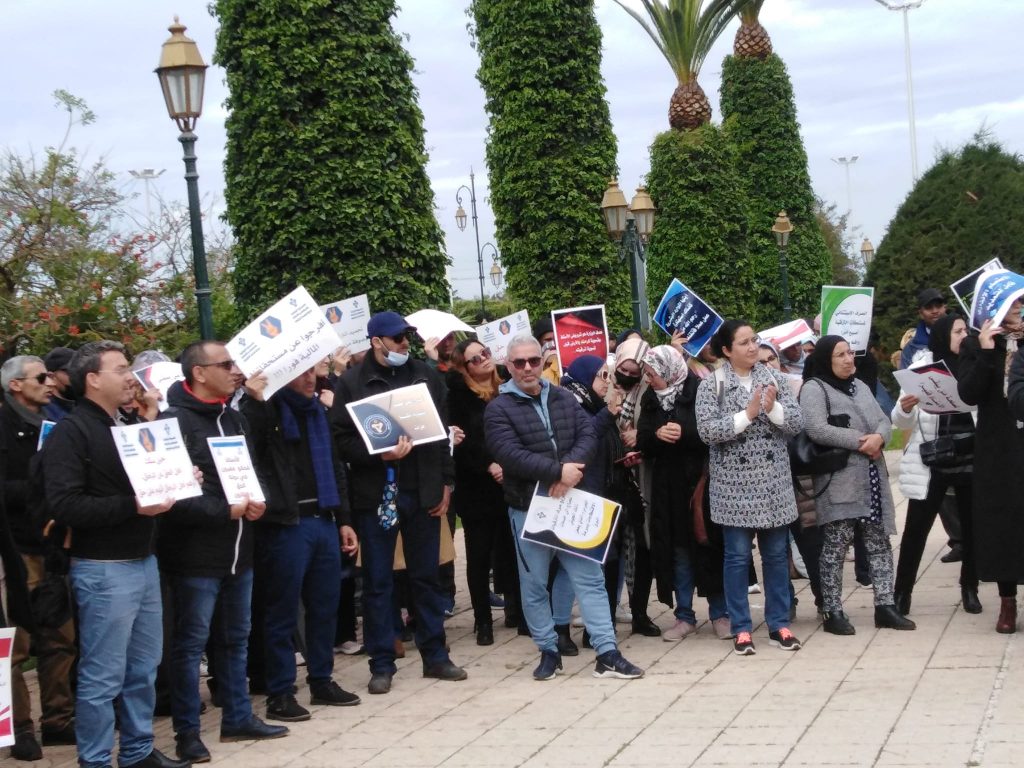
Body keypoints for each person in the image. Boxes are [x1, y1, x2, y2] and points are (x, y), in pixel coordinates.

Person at [43, 340, 189, 768]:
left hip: (143, 560)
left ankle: (138, 751)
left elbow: (145, 485)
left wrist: (179, 479)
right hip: (103, 568)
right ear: (92, 379)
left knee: (143, 668)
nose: (131, 377)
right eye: (121, 369)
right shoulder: (72, 432)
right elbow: (65, 505)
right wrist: (134, 505)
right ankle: (94, 759)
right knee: (103, 675)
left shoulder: (125, 425)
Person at [484, 335, 644, 680]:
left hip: (571, 503)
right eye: (519, 362)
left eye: (533, 360)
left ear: (542, 362)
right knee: (534, 584)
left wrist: (569, 474)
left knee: (590, 580)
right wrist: (558, 473)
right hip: (529, 508)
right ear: (509, 366)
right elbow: (509, 453)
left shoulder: (562, 397)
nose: (527, 368)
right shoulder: (498, 409)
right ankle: (548, 650)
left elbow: (587, 435)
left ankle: (607, 653)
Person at [161, 342, 288, 761]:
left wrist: (259, 499)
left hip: (240, 550)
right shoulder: (172, 423)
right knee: (190, 645)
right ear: (199, 372)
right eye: (227, 364)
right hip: (195, 556)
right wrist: (223, 510)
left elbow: (252, 470)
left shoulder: (234, 418)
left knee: (236, 638)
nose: (237, 371)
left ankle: (237, 717)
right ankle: (187, 733)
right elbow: (171, 496)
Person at [331, 311, 467, 694]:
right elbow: (340, 440)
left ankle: (435, 656)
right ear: (376, 342)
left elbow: (442, 433)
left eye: (407, 336)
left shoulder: (424, 375)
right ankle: (381, 663)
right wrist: (379, 455)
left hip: (423, 491)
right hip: (377, 496)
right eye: (396, 338)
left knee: (427, 578)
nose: (404, 343)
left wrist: (446, 483)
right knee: (378, 582)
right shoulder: (352, 382)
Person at [242, 364, 363, 720]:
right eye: (300, 372)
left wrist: (344, 519)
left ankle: (322, 680)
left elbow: (336, 467)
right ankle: (280, 692)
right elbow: (250, 450)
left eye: (312, 371)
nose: (310, 378)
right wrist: (255, 401)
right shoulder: (266, 410)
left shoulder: (318, 412)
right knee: (282, 612)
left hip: (323, 519)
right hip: (285, 524)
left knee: (324, 607)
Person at [695, 320, 803, 655]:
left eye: (754, 340)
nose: (753, 347)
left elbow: (797, 422)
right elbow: (707, 431)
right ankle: (741, 627)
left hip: (773, 483)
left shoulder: (773, 378)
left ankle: (779, 623)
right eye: (743, 343)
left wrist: (773, 409)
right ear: (727, 350)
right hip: (734, 486)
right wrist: (748, 414)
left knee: (776, 555)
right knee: (737, 557)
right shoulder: (712, 384)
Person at [801, 336, 915, 635]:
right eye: (840, 354)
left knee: (879, 542)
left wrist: (880, 438)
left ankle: (885, 606)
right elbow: (815, 428)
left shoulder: (860, 385)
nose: (848, 359)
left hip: (871, 478)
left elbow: (882, 420)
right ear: (826, 359)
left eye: (850, 353)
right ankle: (832, 610)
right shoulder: (814, 388)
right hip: (839, 480)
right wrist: (861, 441)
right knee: (835, 546)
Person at [0, 356, 76, 760]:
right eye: (41, 377)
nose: (50, 383)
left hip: (54, 546)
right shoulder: (3, 426)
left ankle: (58, 720)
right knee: (18, 644)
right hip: (18, 550)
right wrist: (38, 485)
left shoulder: (57, 424)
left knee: (61, 638)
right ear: (15, 384)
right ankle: (20, 729)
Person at [636, 345, 730, 642]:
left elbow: (713, 432)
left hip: (701, 485)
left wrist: (684, 433)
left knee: (708, 546)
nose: (648, 379)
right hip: (669, 488)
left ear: (669, 371)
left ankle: (720, 613)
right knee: (678, 552)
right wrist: (657, 435)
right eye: (646, 373)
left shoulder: (700, 390)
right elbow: (643, 440)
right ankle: (684, 615)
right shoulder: (651, 398)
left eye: (652, 373)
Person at [891, 315, 979, 617]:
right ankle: (902, 593)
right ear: (943, 336)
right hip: (932, 460)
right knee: (916, 529)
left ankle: (970, 588)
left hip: (969, 455)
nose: (964, 335)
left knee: (972, 528)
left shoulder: (974, 364)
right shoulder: (922, 367)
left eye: (965, 330)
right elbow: (901, 420)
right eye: (957, 331)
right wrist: (905, 409)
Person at [446, 338, 521, 645]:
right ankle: (483, 619)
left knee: (512, 549)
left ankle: (517, 610)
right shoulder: (457, 396)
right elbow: (462, 442)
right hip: (476, 485)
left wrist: (510, 464)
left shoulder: (508, 386)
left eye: (485, 353)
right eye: (475, 359)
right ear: (464, 367)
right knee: (478, 553)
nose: (483, 360)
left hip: (512, 481)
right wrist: (488, 464)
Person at [960, 303, 1024, 634]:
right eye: (1014, 303)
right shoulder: (977, 342)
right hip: (998, 446)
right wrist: (986, 353)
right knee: (1003, 522)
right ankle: (1007, 600)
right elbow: (968, 393)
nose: (1020, 307)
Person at [900, 288, 948, 370]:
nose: (935, 311)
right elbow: (906, 377)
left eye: (938, 306)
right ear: (921, 313)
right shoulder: (910, 349)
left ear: (945, 308)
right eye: (929, 307)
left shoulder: (963, 334)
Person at [42, 346, 76, 420]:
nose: (76, 376)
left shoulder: (82, 406)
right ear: (51, 377)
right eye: (71, 372)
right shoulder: (44, 413)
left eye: (79, 371)